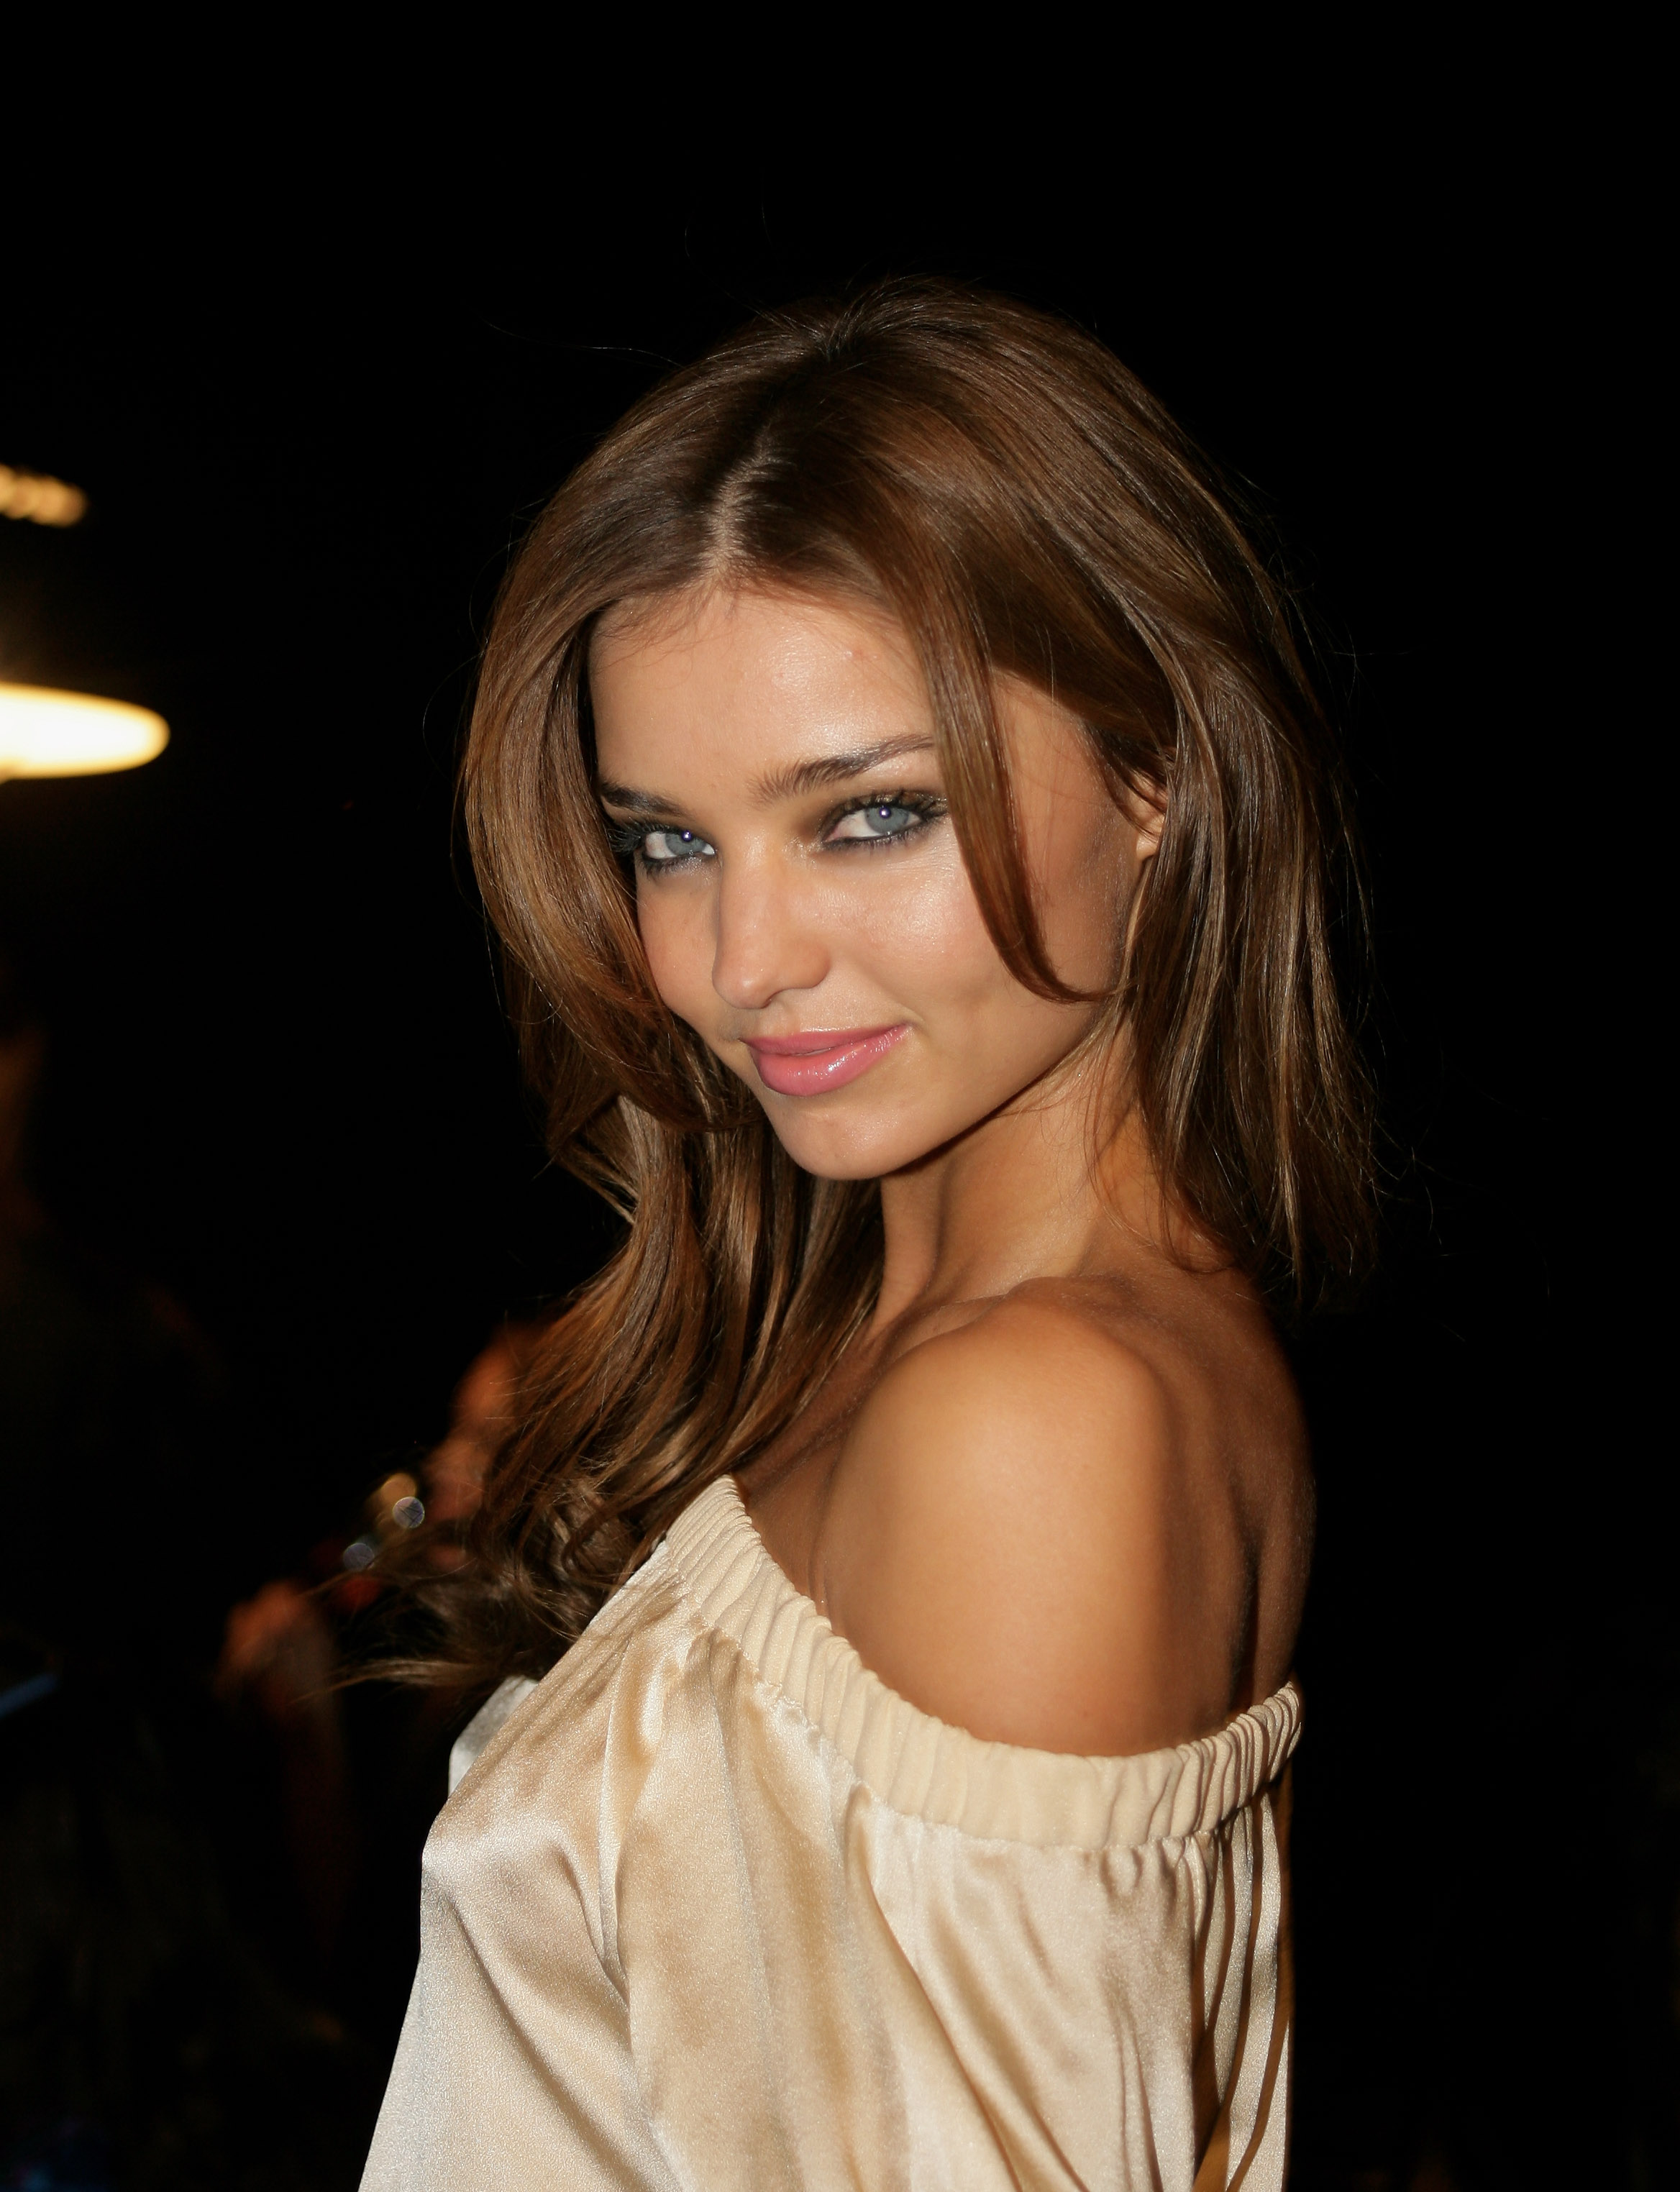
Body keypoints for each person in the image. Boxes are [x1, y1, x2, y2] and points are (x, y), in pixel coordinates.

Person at [362, 280, 1376, 2191]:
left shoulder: (1037, 1419)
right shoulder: (941, 1348)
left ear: (1158, 777)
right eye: (668, 841)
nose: (739, 962)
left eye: (868, 815)